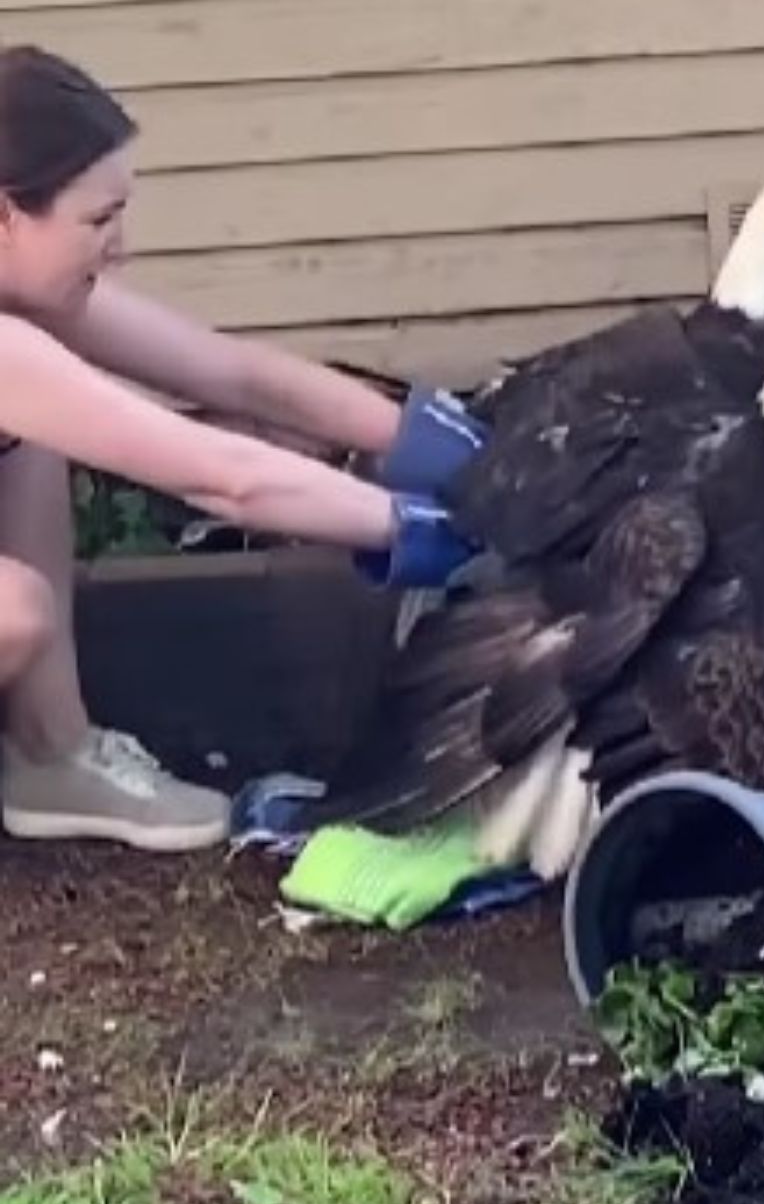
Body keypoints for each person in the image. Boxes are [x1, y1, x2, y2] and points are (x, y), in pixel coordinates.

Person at [0, 44, 487, 854]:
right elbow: (227, 480)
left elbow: (241, 377)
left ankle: (52, 754)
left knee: (34, 444)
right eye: (98, 221)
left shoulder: (32, 301)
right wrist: (424, 531)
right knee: (13, 612)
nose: (120, 246)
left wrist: (459, 450)